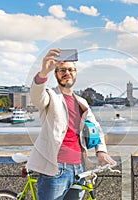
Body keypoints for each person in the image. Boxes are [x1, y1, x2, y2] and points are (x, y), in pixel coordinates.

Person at [27, 48, 116, 200]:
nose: (66, 73)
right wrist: (43, 72)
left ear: (75, 74)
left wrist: (101, 150)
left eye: (70, 69)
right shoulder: (50, 95)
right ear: (56, 74)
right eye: (62, 70)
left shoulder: (82, 102)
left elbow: (96, 128)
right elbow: (36, 97)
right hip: (55, 169)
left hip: (80, 169)